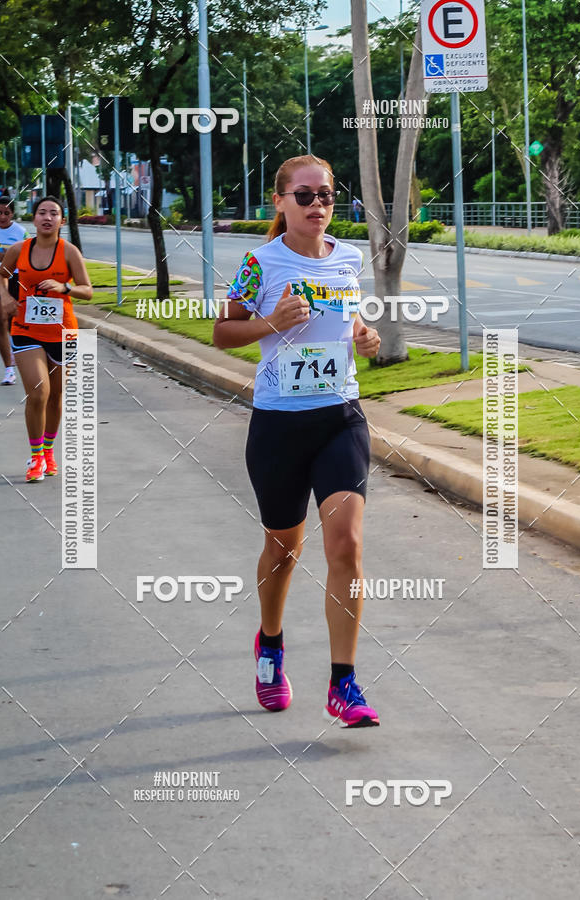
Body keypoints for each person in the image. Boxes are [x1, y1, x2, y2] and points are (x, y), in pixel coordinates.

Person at [214, 155, 382, 728]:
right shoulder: (260, 264)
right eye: (305, 196)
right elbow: (222, 332)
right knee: (285, 550)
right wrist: (272, 323)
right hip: (280, 424)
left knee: (346, 546)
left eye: (327, 196)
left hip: (340, 417)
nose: (318, 206)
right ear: (280, 201)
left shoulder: (349, 258)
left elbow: (348, 322)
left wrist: (364, 337)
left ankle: (344, 684)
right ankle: (269, 643)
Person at [0, 195, 93, 482]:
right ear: (33, 218)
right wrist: (4, 297)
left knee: (56, 396)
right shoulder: (19, 249)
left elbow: (87, 290)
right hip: (26, 329)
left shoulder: (69, 252)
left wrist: (65, 287)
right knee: (38, 392)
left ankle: (49, 452)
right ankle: (36, 457)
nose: (47, 217)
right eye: (41, 212)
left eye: (53, 213)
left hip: (63, 331)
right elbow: (0, 276)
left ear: (62, 220)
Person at [0, 196, 28, 384]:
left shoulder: (20, 232)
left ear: (12, 213)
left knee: (13, 321)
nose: (2, 216)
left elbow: (29, 255)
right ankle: (8, 369)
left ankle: (17, 352)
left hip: (15, 278)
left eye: (6, 213)